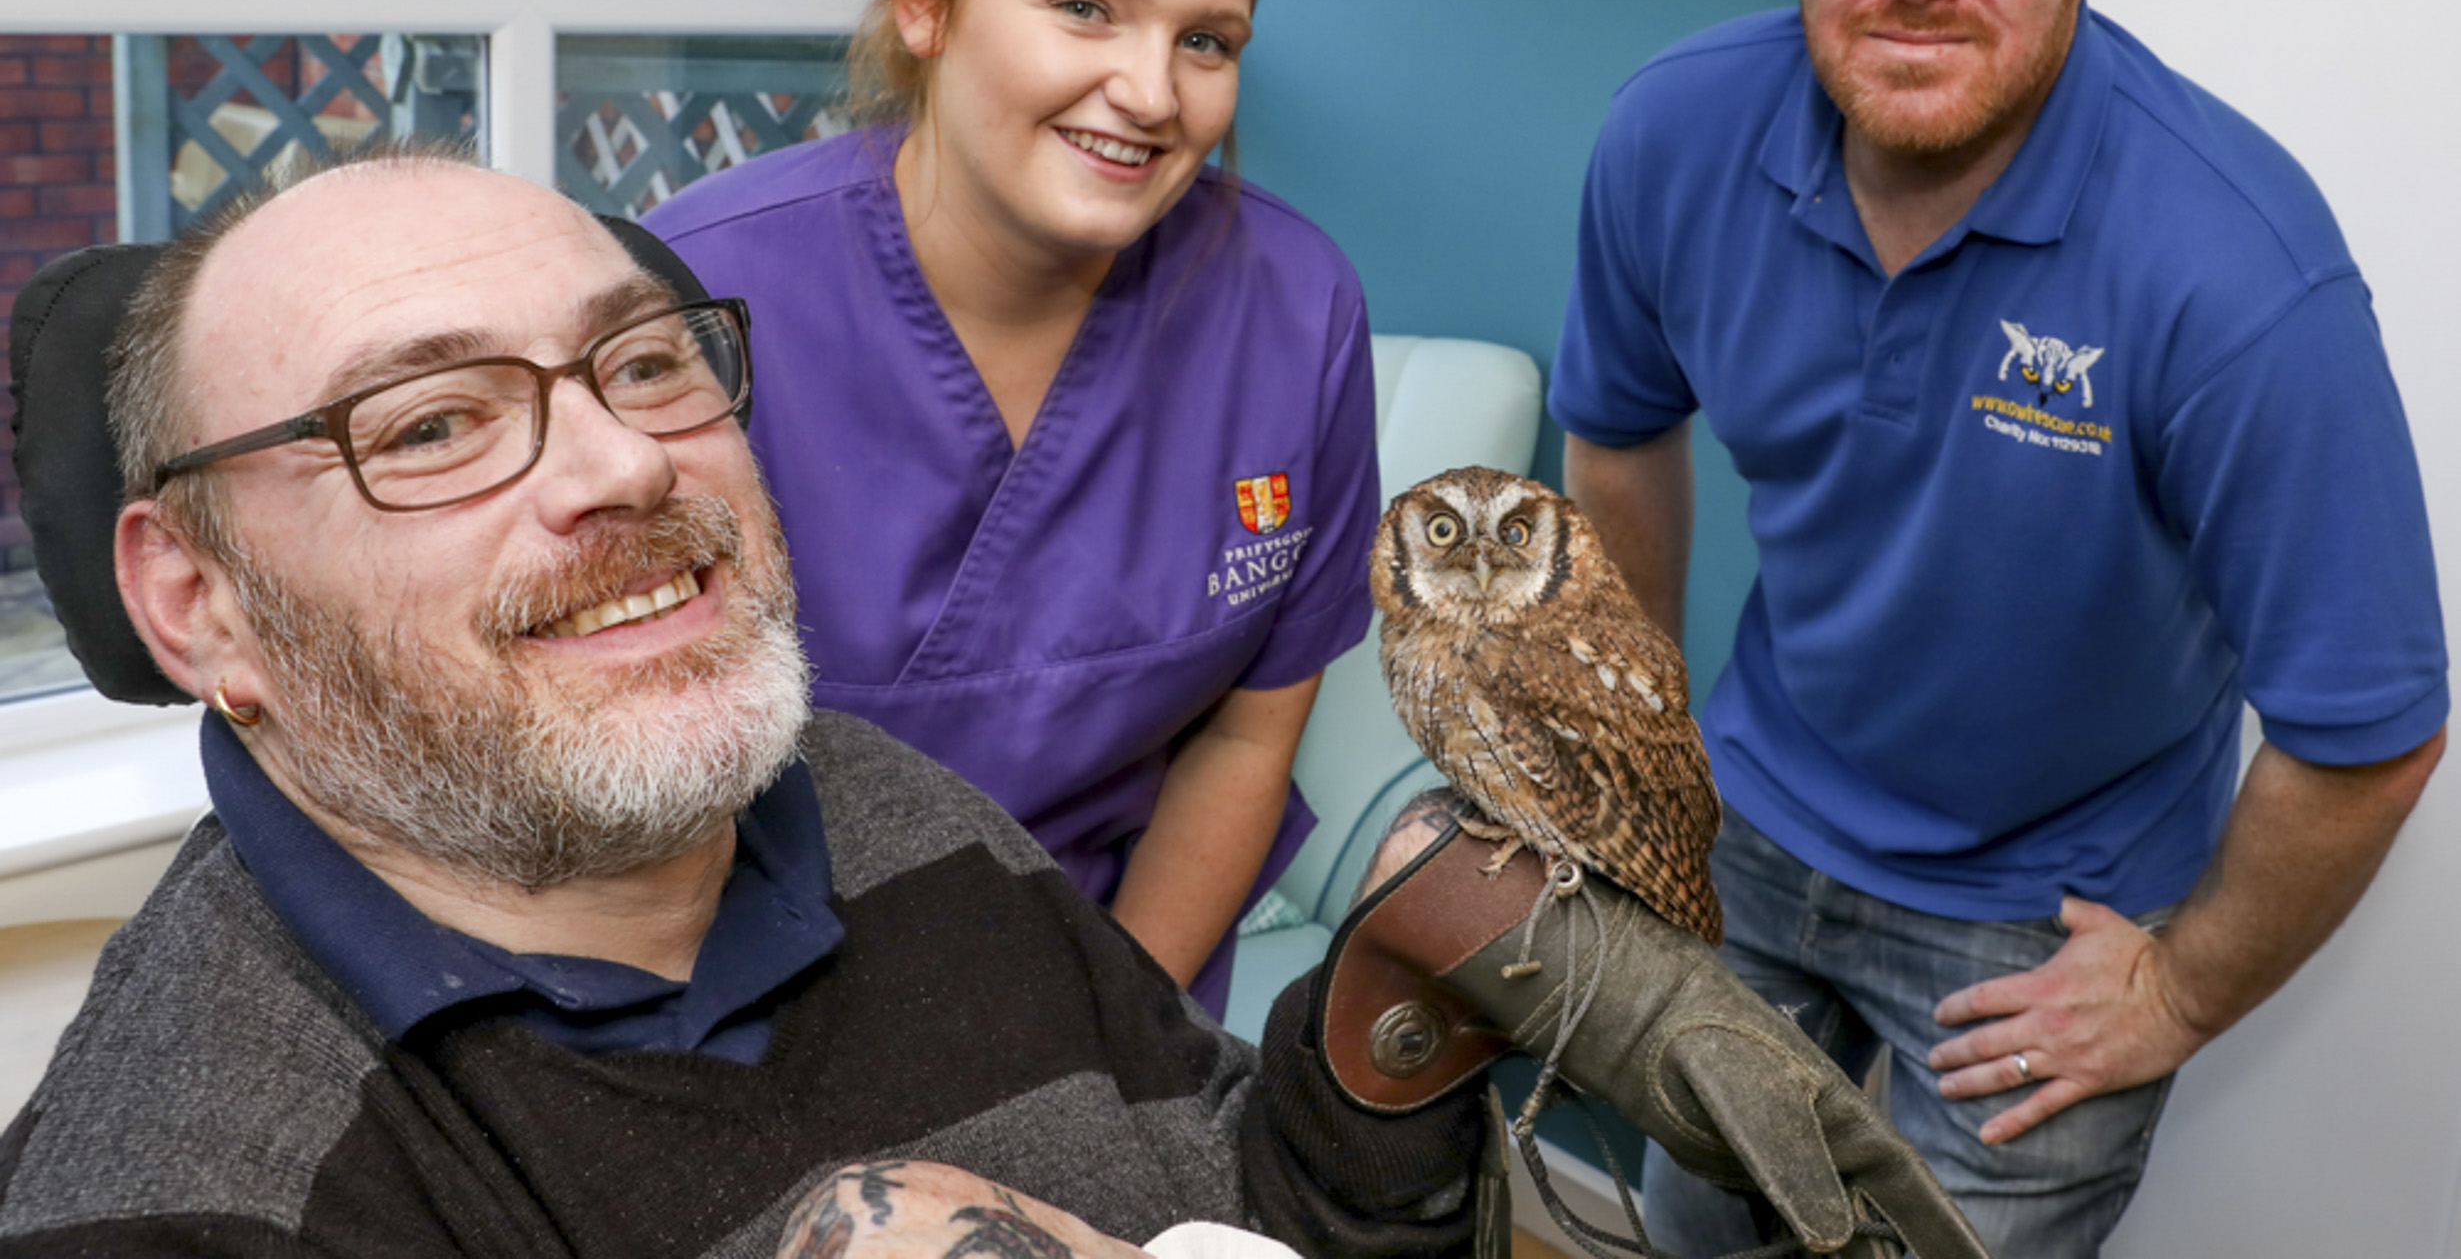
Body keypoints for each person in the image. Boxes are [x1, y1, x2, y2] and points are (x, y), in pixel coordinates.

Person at [0, 148, 1469, 1259]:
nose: (624, 465)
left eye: (643, 364)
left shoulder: (882, 798)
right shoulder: (193, 1195)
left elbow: (1210, 1189)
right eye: (433, 425)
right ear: (201, 605)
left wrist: (1383, 1043)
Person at [1550, 0, 2447, 1257]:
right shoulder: (1668, 138)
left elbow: (2370, 729)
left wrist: (2176, 988)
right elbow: (1617, 442)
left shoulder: (2239, 276)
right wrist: (1646, 758)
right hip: (1748, 825)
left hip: (2046, 913)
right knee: (1698, 1232)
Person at [647, 0, 1378, 1019]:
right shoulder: (690, 301)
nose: (1150, 93)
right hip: (736, 1001)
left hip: (1104, 976)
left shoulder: (1293, 306)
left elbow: (1246, 735)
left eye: (1206, 41)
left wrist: (1111, 1053)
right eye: (1084, 9)